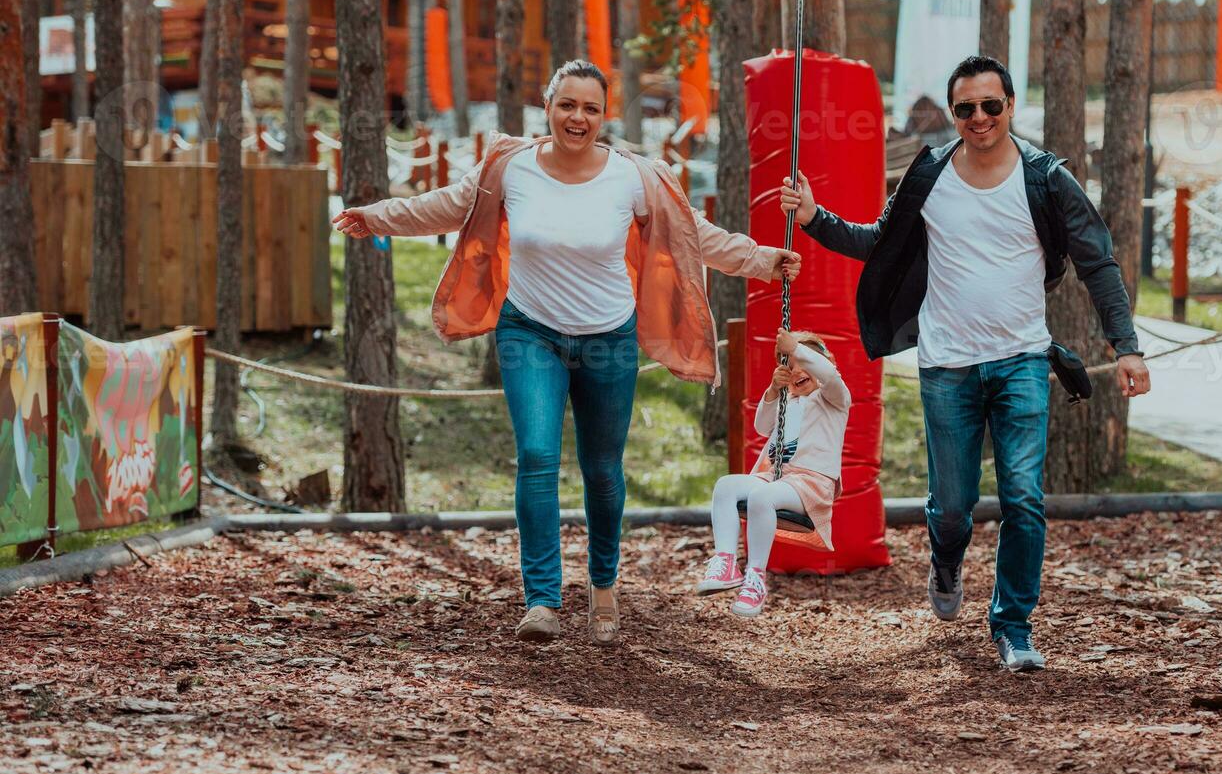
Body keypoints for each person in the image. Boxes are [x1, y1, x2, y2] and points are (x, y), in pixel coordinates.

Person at [333, 59, 802, 647]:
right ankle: (543, 599)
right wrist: (374, 215)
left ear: (604, 116)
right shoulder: (511, 168)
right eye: (567, 105)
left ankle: (603, 585)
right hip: (530, 333)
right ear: (547, 107)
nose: (577, 117)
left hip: (608, 340)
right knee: (535, 456)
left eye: (590, 108)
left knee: (603, 472)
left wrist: (761, 259)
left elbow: (693, 236)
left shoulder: (635, 178)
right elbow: (447, 204)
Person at [778, 54, 1151, 672]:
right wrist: (815, 219)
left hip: (1022, 361)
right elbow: (879, 241)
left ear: (1010, 106)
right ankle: (946, 560)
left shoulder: (1046, 179)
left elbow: (1098, 261)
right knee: (952, 506)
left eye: (990, 106)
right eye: (965, 109)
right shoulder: (929, 175)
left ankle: (1013, 627)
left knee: (1024, 498)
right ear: (953, 115)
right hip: (947, 366)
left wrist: (1127, 346)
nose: (978, 118)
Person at [697, 328, 851, 617]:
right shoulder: (788, 401)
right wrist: (772, 391)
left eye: (803, 362)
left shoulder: (834, 399)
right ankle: (726, 561)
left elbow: (829, 376)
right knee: (725, 486)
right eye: (788, 366)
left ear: (824, 361)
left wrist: (797, 348)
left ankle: (755, 579)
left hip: (810, 482)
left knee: (761, 497)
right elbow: (762, 427)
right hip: (776, 478)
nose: (796, 371)